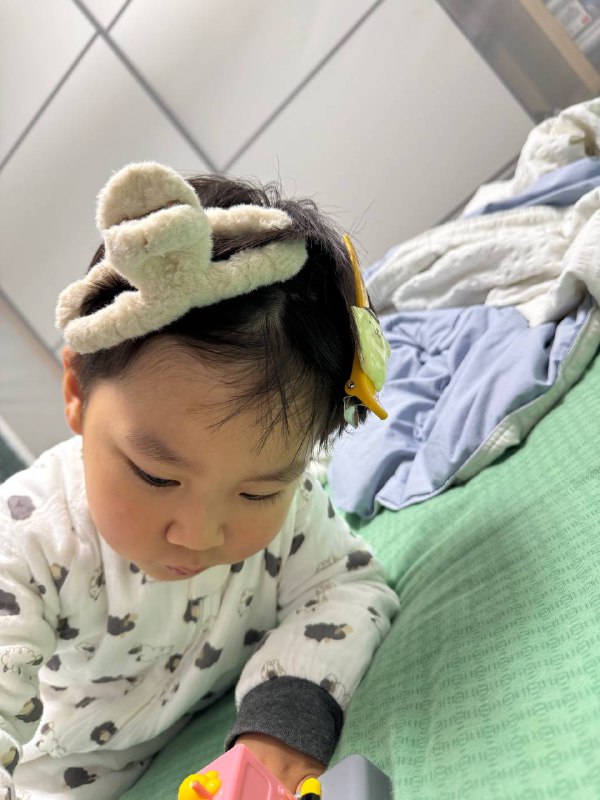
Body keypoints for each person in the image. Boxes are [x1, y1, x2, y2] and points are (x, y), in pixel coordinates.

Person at [0, 162, 399, 800]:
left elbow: (347, 586)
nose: (200, 534)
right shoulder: (25, 541)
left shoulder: (294, 509)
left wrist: (280, 725)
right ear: (76, 390)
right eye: (156, 477)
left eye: (256, 493)